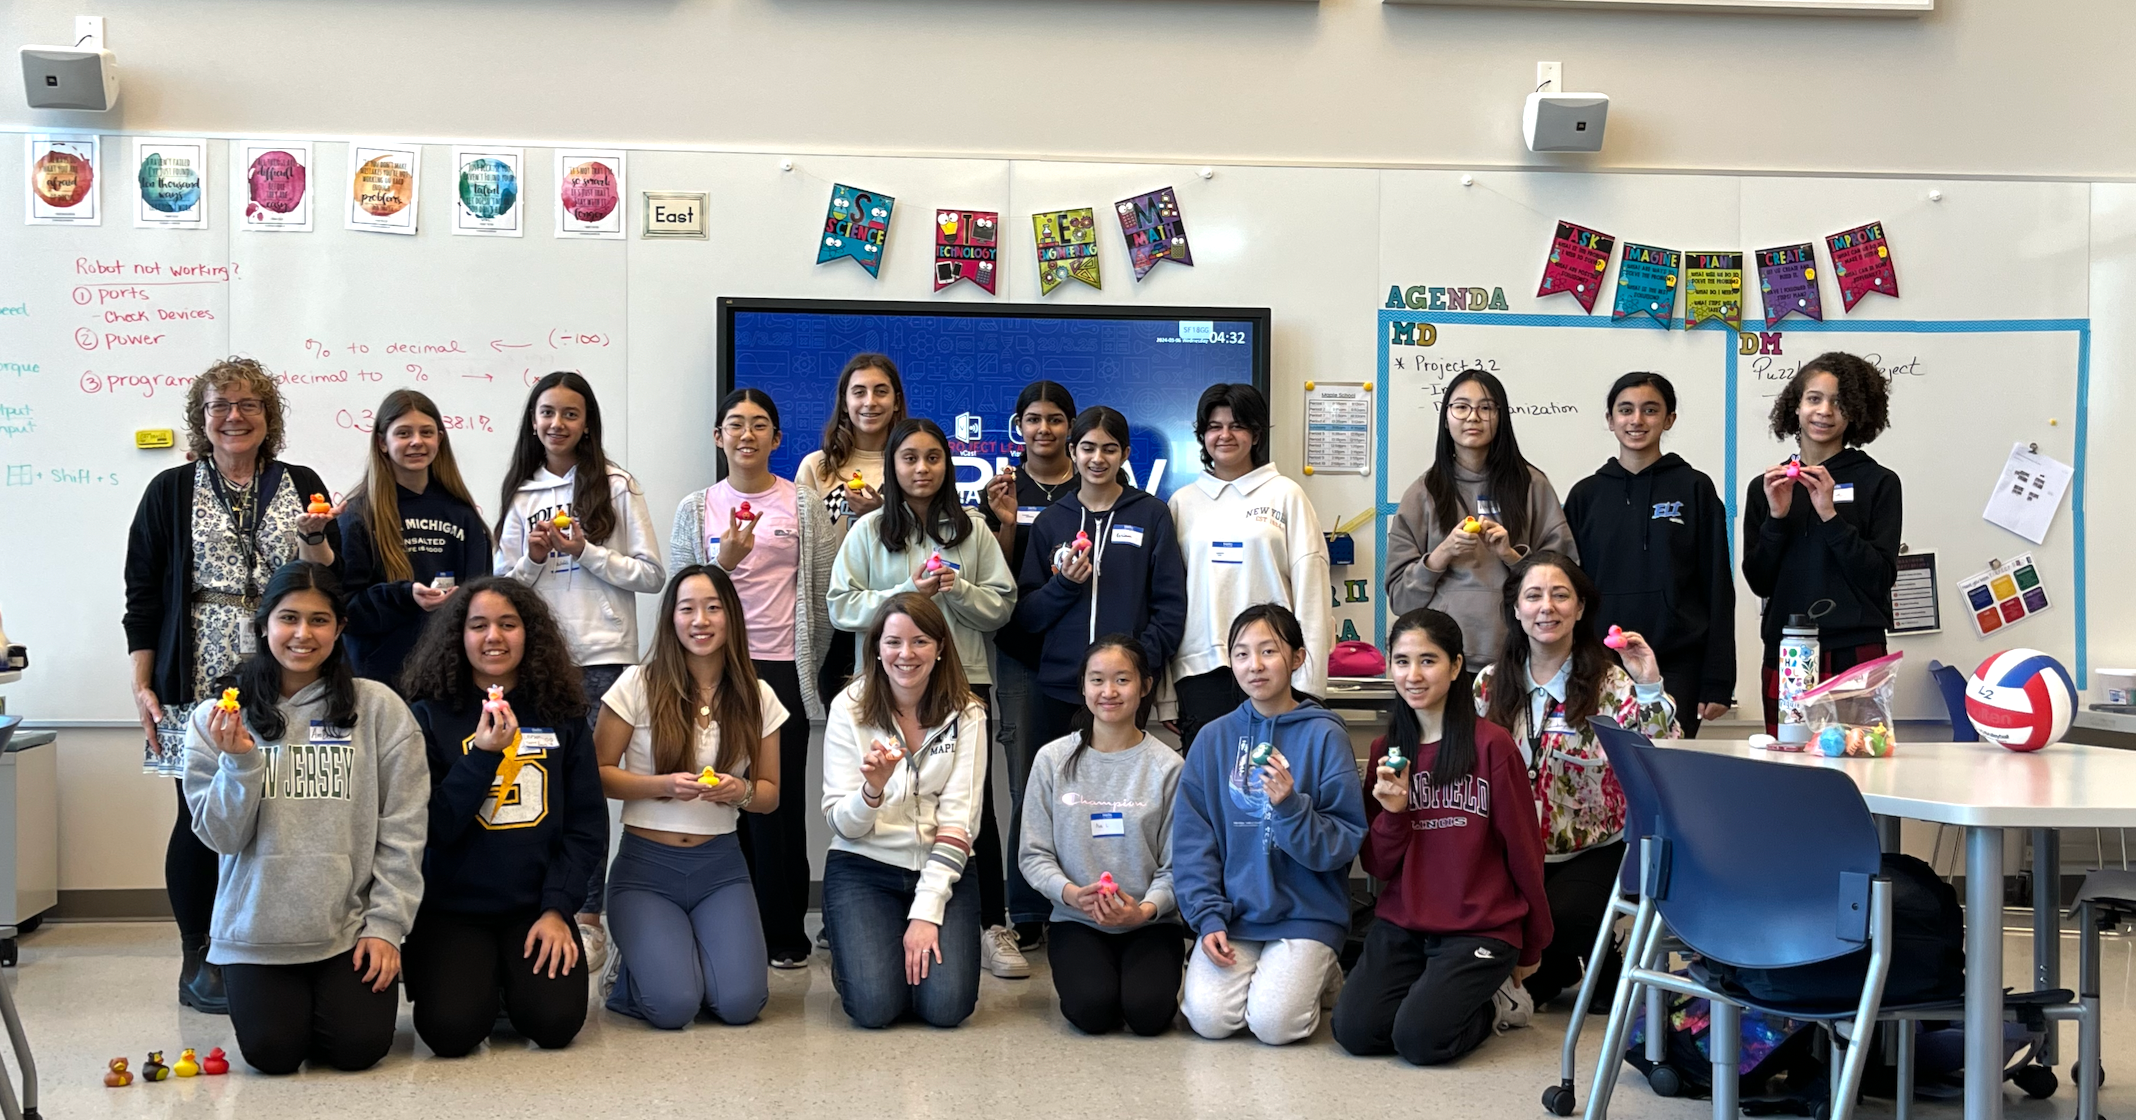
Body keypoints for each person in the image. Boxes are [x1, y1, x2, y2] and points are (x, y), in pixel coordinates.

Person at [123, 357, 344, 1015]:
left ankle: (268, 941)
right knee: (199, 812)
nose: (234, 416)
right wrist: (142, 684)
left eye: (249, 404)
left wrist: (314, 540)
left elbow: (327, 577)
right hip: (194, 668)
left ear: (268, 416)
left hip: (286, 664)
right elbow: (142, 593)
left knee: (277, 805)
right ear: (203, 418)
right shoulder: (169, 489)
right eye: (220, 404)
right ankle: (200, 954)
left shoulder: (302, 483)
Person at [182, 562, 426, 1073]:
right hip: (255, 934)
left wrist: (386, 926)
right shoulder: (215, 719)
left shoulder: (378, 709)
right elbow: (222, 838)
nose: (302, 634)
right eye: (288, 618)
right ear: (264, 625)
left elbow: (404, 827)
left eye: (319, 620)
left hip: (349, 927)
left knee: (358, 1050)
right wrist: (241, 762)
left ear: (339, 629)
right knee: (272, 1054)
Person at [827, 418, 1023, 978]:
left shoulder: (973, 529)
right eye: (909, 458)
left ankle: (991, 926)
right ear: (892, 465)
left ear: (947, 466)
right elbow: (840, 607)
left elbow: (1002, 607)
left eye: (933, 458)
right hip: (884, 685)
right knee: (884, 789)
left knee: (974, 809)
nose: (921, 469)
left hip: (962, 684)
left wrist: (957, 590)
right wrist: (906, 591)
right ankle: (864, 913)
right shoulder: (868, 530)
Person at [494, 370, 665, 971]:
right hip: (538, 662)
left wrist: (584, 551)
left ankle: (589, 918)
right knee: (536, 787)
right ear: (533, 421)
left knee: (587, 790)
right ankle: (543, 907)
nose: (557, 424)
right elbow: (502, 590)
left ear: (587, 423)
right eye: (547, 413)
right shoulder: (521, 493)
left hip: (604, 659)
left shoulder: (616, 485)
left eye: (570, 413)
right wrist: (534, 557)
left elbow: (652, 575)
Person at [1332, 608, 1550, 1066]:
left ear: (1455, 667)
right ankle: (1436, 994)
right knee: (1356, 1031)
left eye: (1428, 660)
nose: (1413, 675)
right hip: (1405, 924)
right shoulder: (1385, 752)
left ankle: (1497, 1002)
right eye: (1402, 661)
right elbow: (1377, 865)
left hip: (1480, 927)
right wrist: (1394, 815)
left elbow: (1525, 853)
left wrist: (1532, 944)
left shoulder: (1492, 746)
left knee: (1420, 1040)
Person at [400, 577, 605, 1055]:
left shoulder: (562, 712)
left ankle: (509, 984)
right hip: (452, 909)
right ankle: (484, 983)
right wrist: (484, 755)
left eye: (508, 624)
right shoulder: (428, 715)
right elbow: (432, 827)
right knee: (450, 1033)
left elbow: (586, 825)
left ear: (529, 632)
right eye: (479, 625)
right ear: (459, 635)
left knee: (555, 1024)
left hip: (534, 906)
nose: (494, 636)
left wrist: (557, 909)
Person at [668, 388, 832, 970]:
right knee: (717, 797)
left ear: (776, 438)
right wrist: (725, 564)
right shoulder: (696, 508)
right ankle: (725, 927)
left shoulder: (802, 505)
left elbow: (822, 598)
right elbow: (682, 596)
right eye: (735, 424)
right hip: (713, 670)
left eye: (760, 424)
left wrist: (804, 663)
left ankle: (784, 933)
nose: (747, 434)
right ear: (718, 438)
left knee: (776, 806)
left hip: (782, 668)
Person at [1474, 551, 1679, 1009]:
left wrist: (1649, 683)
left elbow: (1664, 755)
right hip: (1513, 852)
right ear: (1516, 608)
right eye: (1533, 596)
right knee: (1496, 937)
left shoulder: (1611, 684)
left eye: (1560, 595)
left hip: (1591, 848)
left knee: (1558, 925)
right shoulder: (1489, 684)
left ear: (1580, 607)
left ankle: (1584, 954)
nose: (1546, 607)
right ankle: (1571, 965)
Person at [593, 565, 786, 1028]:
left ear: (731, 616)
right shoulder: (637, 684)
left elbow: (769, 795)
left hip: (721, 869)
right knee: (674, 1007)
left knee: (741, 1005)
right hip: (645, 870)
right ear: (671, 618)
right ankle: (630, 970)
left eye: (713, 608)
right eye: (687, 609)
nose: (700, 620)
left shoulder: (757, 695)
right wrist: (662, 785)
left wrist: (739, 791)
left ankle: (684, 956)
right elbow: (597, 775)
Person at [1173, 604, 1365, 1046]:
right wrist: (1207, 917)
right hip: (1236, 917)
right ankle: (1280, 973)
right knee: (1210, 1020)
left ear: (1297, 658)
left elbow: (1342, 843)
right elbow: (1192, 841)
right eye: (1242, 654)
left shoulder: (1325, 735)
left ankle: (1325, 971)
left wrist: (1290, 807)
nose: (1254, 665)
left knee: (1275, 1026)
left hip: (1306, 914)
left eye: (1268, 651)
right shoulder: (1212, 739)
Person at [820, 594, 989, 1028]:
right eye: (893, 642)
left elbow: (960, 822)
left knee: (947, 1009)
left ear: (940, 647)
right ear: (877, 648)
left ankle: (895, 953)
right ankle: (858, 957)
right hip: (863, 866)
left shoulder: (968, 712)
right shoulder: (848, 707)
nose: (906, 654)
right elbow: (842, 824)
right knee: (874, 1008)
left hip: (943, 869)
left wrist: (926, 912)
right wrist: (871, 791)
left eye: (920, 642)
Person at [1018, 636, 1184, 1037]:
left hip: (1150, 922)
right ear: (1083, 686)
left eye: (1122, 680)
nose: (1109, 691)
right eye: (1097, 680)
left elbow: (1178, 865)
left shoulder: (1169, 767)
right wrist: (1073, 895)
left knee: (1148, 1015)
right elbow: (1034, 854)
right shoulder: (1052, 760)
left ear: (1145, 686)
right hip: (1077, 919)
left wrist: (1144, 910)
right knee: (1091, 1010)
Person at [1562, 373, 1735, 737]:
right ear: (1610, 419)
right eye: (1626, 410)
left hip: (1678, 664)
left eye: (1650, 410)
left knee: (1666, 764)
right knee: (1602, 766)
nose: (1637, 420)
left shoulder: (1695, 488)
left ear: (1669, 419)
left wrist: (1718, 680)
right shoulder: (1585, 496)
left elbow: (1718, 586)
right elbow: (1569, 589)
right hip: (1598, 664)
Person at [1741, 352, 1903, 735]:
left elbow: (1880, 577)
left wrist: (1830, 515)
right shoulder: (1767, 487)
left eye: (1839, 402)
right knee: (1789, 760)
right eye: (1814, 398)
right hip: (1787, 648)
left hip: (1854, 646)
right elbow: (1759, 581)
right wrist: (1777, 518)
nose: (1825, 411)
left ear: (1856, 412)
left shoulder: (1879, 482)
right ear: (1795, 406)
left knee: (1856, 758)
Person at [1167, 384, 1331, 755]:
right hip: (1200, 671)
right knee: (1212, 780)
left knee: (1277, 778)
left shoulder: (1286, 494)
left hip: (1274, 667)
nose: (1224, 435)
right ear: (1202, 435)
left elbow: (1312, 591)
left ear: (1255, 434)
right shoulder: (1182, 503)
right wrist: (1165, 695)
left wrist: (1310, 685)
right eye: (1214, 426)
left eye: (1237, 426)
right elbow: (1168, 601)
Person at [1014, 406, 1187, 750]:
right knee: (1059, 780)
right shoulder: (1051, 521)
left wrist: (1137, 662)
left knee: (1120, 779)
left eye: (1109, 449)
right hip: (1061, 686)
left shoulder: (1151, 514)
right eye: (1088, 448)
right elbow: (1028, 615)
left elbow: (1170, 608)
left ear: (1125, 454)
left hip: (1126, 688)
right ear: (1072, 451)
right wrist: (1063, 585)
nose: (1097, 459)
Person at [1386, 369, 1578, 668]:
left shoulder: (1532, 485)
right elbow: (1400, 600)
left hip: (1518, 658)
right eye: (1461, 407)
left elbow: (1568, 578)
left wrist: (1511, 556)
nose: (1473, 417)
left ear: (1500, 418)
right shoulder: (1423, 492)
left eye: (1486, 407)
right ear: (1446, 419)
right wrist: (1442, 554)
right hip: (1444, 664)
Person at [981, 379, 1077, 953]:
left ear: (1071, 426)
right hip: (1022, 654)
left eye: (1055, 419)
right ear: (1019, 427)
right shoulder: (1000, 489)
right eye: (1034, 419)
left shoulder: (1095, 483)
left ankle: (1081, 898)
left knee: (1088, 785)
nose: (1044, 429)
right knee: (1028, 786)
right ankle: (1027, 909)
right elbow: (994, 579)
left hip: (1086, 654)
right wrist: (1006, 522)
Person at [338, 389, 490, 688]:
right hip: (378, 681)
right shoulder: (357, 516)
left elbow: (482, 599)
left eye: (426, 432)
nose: (417, 441)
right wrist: (405, 596)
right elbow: (346, 610)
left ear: (439, 439)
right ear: (382, 442)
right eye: (403, 433)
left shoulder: (462, 515)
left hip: (448, 677)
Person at [797, 353, 907, 707]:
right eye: (859, 392)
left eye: (881, 391)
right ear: (844, 402)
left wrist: (879, 516)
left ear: (896, 401)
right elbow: (801, 549)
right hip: (836, 619)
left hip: (900, 614)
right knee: (845, 726)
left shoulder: (913, 462)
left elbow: (930, 542)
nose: (870, 402)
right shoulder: (817, 467)